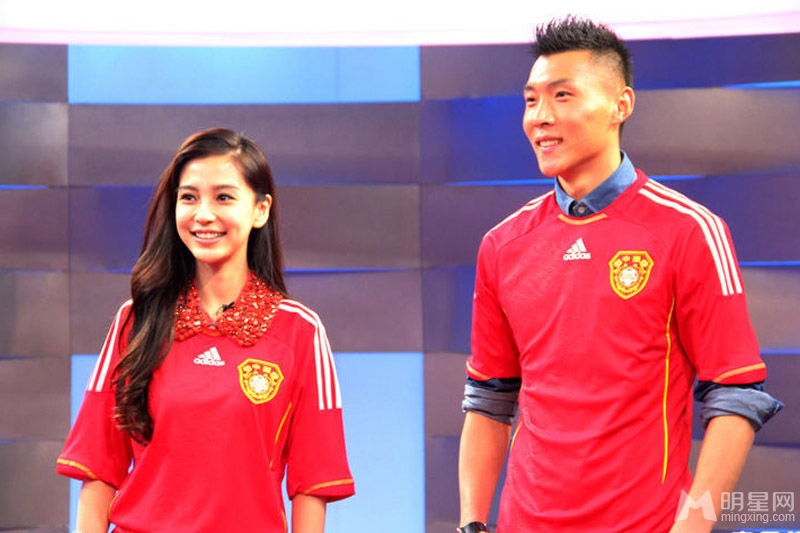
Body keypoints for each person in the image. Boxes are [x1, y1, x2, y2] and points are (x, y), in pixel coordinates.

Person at [457, 16, 782, 533]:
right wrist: (471, 523)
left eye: (562, 96)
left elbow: (737, 395)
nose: (540, 117)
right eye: (531, 100)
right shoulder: (502, 245)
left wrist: (693, 525)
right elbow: (489, 399)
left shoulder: (691, 230)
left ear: (621, 105)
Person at [57, 127, 355, 532]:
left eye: (223, 197)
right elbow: (98, 468)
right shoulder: (136, 320)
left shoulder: (299, 330)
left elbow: (312, 485)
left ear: (260, 210)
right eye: (189, 197)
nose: (203, 215)